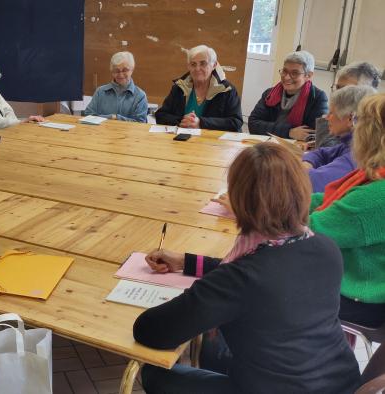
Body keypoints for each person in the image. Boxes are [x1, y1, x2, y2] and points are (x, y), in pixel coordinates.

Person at [133, 142, 359, 393]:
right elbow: (263, 274)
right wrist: (186, 261)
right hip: (341, 382)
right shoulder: (325, 248)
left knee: (155, 373)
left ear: (238, 201)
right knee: (212, 350)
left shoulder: (241, 277)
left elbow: (150, 331)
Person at [309, 94, 385, 329]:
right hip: (366, 288)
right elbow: (333, 201)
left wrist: (257, 202)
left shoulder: (377, 195)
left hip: (362, 298)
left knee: (265, 276)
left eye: (357, 120)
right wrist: (285, 200)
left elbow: (312, 229)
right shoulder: (375, 178)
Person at [303, 85, 376, 192]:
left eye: (331, 112)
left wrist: (303, 169)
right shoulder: (350, 143)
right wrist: (307, 162)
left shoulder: (357, 154)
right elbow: (321, 153)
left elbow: (312, 183)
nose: (327, 117)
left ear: (351, 119)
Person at [155, 45, 242, 131]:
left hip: (212, 142)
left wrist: (201, 123)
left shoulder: (227, 90)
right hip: (180, 141)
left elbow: (236, 122)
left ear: (214, 65)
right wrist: (183, 121)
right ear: (188, 66)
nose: (197, 68)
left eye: (203, 63)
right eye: (193, 64)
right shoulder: (179, 87)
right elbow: (161, 115)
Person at [248, 51, 328, 140]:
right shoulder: (269, 94)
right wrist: (289, 132)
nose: (286, 77)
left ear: (308, 75)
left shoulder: (317, 98)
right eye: (284, 71)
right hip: (268, 145)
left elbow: (315, 134)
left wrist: (270, 128)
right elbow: (253, 124)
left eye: (294, 73)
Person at [316, 62, 381, 148]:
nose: (338, 93)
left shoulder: (373, 124)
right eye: (337, 88)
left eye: (347, 89)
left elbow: (328, 149)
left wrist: (325, 123)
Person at [83, 51, 148, 122]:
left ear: (132, 69)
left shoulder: (140, 96)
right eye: (116, 71)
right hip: (101, 132)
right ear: (111, 71)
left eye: (125, 70)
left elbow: (140, 124)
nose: (120, 75)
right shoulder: (100, 92)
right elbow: (88, 115)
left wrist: (116, 118)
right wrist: (111, 117)